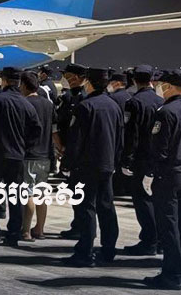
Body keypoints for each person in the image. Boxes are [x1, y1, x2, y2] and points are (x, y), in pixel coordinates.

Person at [0, 67, 41, 247]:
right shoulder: (26, 104)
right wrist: (24, 147)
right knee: (15, 196)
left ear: (3, 80)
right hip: (16, 156)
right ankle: (13, 233)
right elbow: (36, 129)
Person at [63, 68, 123, 267]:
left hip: (86, 166)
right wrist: (115, 161)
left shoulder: (85, 106)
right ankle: (108, 249)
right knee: (106, 207)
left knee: (86, 208)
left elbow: (76, 140)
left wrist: (67, 164)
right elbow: (120, 139)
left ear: (89, 83)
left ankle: (85, 252)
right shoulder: (114, 106)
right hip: (107, 165)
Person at [120, 64, 164, 255]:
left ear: (134, 80)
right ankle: (160, 240)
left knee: (142, 201)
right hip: (157, 158)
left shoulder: (134, 102)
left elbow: (132, 134)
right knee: (156, 201)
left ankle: (149, 241)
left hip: (140, 158)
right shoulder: (161, 101)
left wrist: (127, 159)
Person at [145, 70, 181, 289]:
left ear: (169, 86)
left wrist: (151, 173)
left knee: (169, 226)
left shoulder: (166, 112)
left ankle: (172, 274)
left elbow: (160, 149)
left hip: (168, 175)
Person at [19, 71, 56, 241]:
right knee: (41, 193)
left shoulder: (24, 103)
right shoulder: (48, 104)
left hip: (29, 154)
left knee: (27, 193)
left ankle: (25, 230)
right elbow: (54, 128)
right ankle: (40, 229)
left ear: (24, 85)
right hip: (45, 154)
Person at [56, 63, 88, 239]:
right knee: (75, 192)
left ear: (75, 77)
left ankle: (81, 228)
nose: (64, 79)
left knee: (80, 193)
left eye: (67, 76)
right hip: (70, 149)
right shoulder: (71, 96)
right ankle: (79, 225)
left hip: (76, 152)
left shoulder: (80, 97)